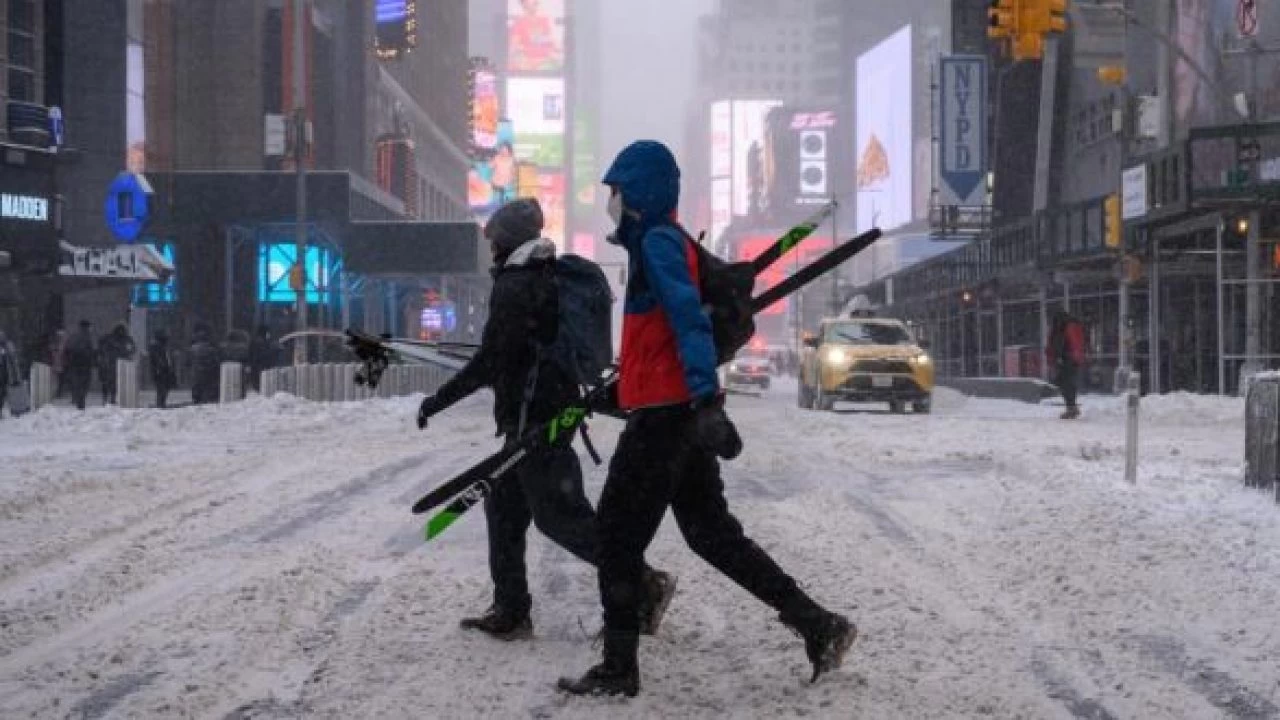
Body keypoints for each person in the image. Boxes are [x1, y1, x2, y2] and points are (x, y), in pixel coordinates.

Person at [558, 141, 855, 698]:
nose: (612, 204)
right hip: (673, 412)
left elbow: (689, 323)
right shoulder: (657, 243)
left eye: (617, 192)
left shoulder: (658, 244)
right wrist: (624, 392)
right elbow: (661, 343)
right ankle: (819, 625)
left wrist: (704, 401)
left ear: (641, 192)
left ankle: (619, 667)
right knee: (711, 533)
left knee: (617, 535)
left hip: (671, 419)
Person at [415, 197, 675, 641]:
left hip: (537, 422)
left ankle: (644, 583)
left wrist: (439, 400)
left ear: (508, 241)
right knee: (504, 508)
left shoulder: (517, 286)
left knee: (562, 518)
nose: (492, 249)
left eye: (495, 240)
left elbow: (492, 360)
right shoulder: (546, 275)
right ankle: (511, 609)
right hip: (545, 412)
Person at [1047, 308, 1086, 420]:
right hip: (1066, 358)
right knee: (1064, 382)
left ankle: (1071, 407)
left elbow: (1072, 343)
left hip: (1067, 359)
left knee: (1065, 383)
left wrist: (1072, 357)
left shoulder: (1066, 326)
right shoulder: (1064, 326)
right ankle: (1071, 407)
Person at [98, 323, 137, 405]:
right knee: (113, 382)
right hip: (117, 363)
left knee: (111, 382)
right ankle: (112, 398)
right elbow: (132, 348)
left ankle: (110, 398)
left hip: (115, 363)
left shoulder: (111, 338)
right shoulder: (124, 339)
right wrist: (127, 353)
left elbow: (133, 348)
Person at [66, 321, 96, 411]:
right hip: (85, 364)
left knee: (77, 382)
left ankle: (77, 398)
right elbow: (90, 351)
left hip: (74, 364)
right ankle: (81, 400)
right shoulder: (87, 337)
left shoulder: (73, 336)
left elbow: (67, 349)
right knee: (85, 383)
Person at [189, 324, 222, 405]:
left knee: (197, 390)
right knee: (207, 392)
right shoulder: (212, 349)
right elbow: (216, 362)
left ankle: (196, 401)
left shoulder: (192, 349)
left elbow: (188, 362)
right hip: (208, 374)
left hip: (196, 373)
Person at [149, 329, 177, 409]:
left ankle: (161, 403)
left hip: (164, 369)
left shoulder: (162, 346)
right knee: (161, 388)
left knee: (165, 387)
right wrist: (163, 365)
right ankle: (160, 404)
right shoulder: (156, 346)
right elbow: (158, 358)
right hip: (160, 370)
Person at [247, 325, 277, 392]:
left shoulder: (254, 341)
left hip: (255, 367)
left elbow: (250, 355)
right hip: (260, 367)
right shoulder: (262, 343)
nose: (269, 335)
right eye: (268, 333)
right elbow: (264, 355)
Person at [0, 330, 16, 418]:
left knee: (3, 392)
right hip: (4, 373)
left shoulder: (6, 346)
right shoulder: (6, 347)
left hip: (4, 373)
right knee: (2, 392)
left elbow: (12, 356)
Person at [49, 329, 68, 398]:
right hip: (57, 364)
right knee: (57, 380)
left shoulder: (63, 345)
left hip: (60, 364)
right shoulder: (56, 345)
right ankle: (57, 392)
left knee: (60, 380)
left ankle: (59, 392)